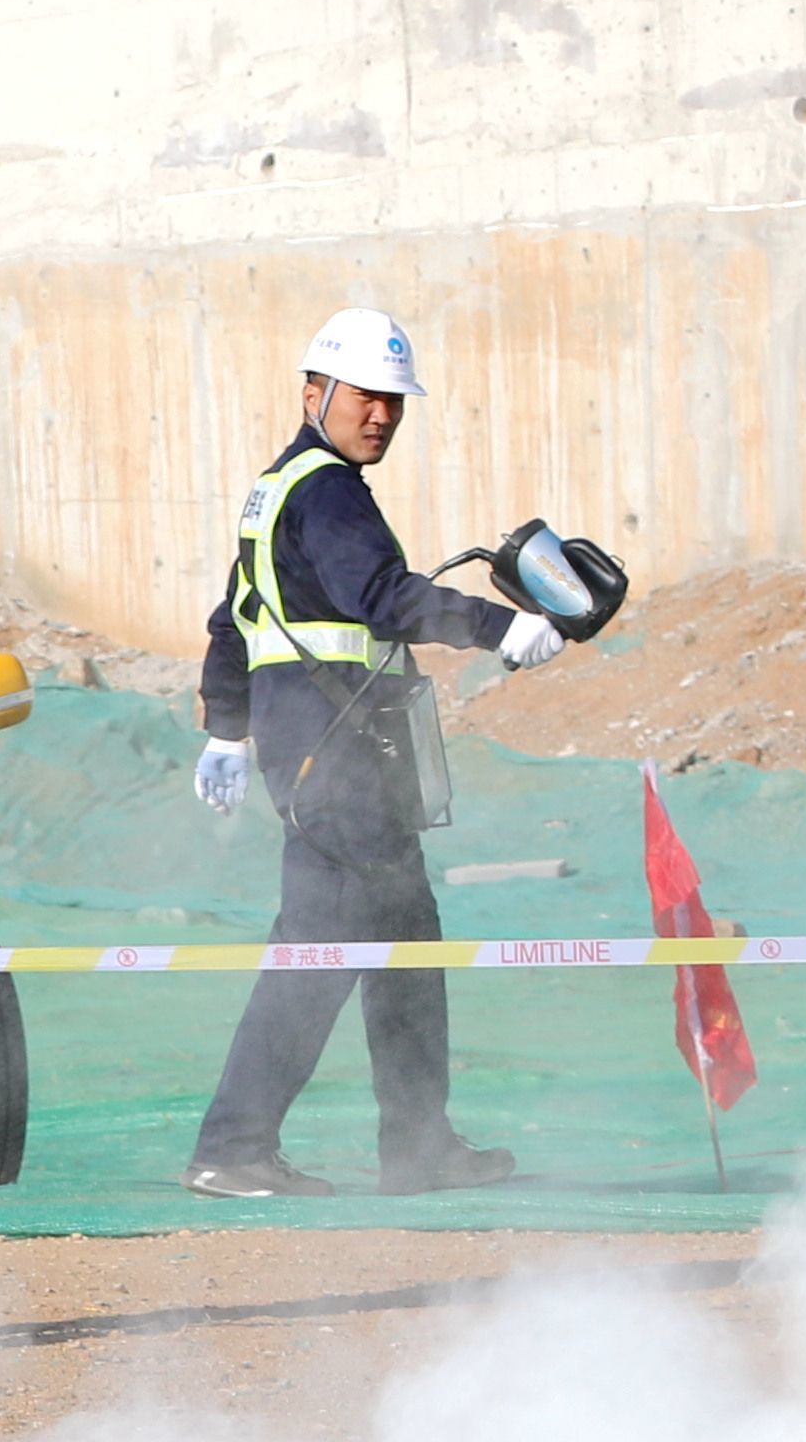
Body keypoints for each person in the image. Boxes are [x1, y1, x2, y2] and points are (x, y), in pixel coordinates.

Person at [183, 308, 563, 1198]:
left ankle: (419, 1147)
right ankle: (233, 1148)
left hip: (334, 754)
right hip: (335, 755)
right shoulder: (327, 492)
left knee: (408, 947)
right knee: (317, 953)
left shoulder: (281, 489)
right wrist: (502, 628)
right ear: (313, 393)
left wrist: (227, 730)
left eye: (394, 401)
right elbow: (385, 597)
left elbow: (233, 622)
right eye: (365, 396)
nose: (382, 415)